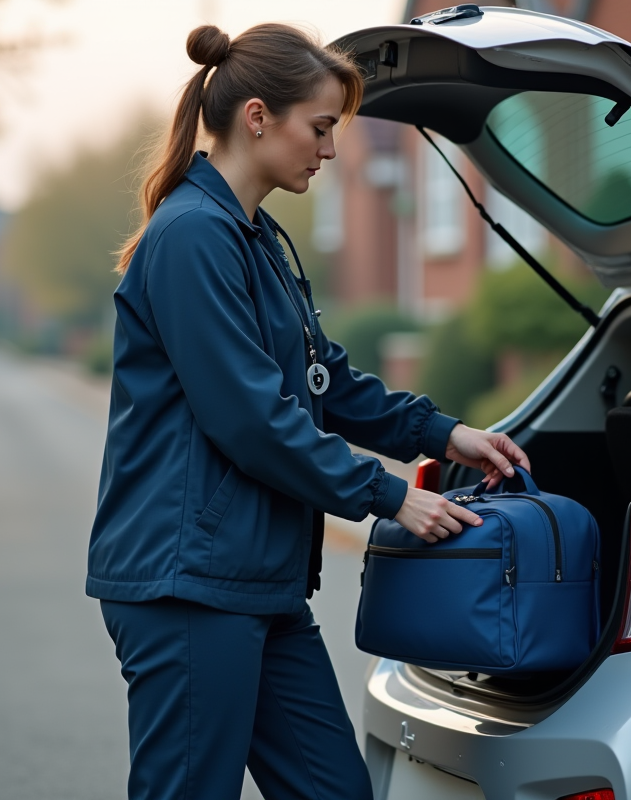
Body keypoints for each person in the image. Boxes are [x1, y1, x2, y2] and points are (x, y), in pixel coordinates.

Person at [88, 22, 531, 800]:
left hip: (256, 581)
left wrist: (444, 432)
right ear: (258, 116)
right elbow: (251, 418)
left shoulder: (252, 238)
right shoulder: (193, 238)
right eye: (320, 128)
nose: (330, 150)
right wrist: (390, 495)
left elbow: (325, 381)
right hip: (189, 586)